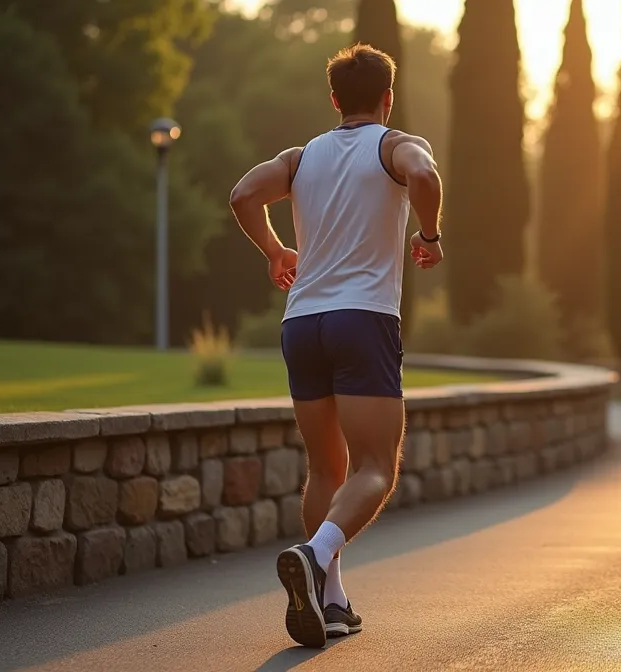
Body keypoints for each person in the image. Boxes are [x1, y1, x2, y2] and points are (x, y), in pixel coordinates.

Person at [227, 43, 443, 649]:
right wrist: (430, 236)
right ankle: (316, 554)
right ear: (388, 97)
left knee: (326, 467)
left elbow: (243, 193)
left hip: (302, 324)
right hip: (363, 319)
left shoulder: (301, 158)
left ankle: (331, 600)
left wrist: (275, 253)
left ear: (333, 100)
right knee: (376, 467)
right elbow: (424, 176)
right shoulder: (395, 145)